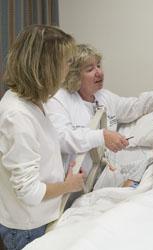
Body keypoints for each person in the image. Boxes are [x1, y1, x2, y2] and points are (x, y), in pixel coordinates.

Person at [45, 44, 153, 176]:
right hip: (73, 180)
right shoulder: (59, 99)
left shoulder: (103, 96)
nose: (99, 73)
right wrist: (101, 136)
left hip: (102, 173)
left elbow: (134, 106)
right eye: (90, 69)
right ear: (74, 76)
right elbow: (61, 137)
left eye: (98, 65)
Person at [0, 25, 84, 250]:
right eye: (67, 62)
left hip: (41, 215)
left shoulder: (34, 102)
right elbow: (29, 192)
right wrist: (68, 185)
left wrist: (63, 174)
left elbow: (38, 157)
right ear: (47, 67)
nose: (70, 68)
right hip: (28, 227)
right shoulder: (17, 115)